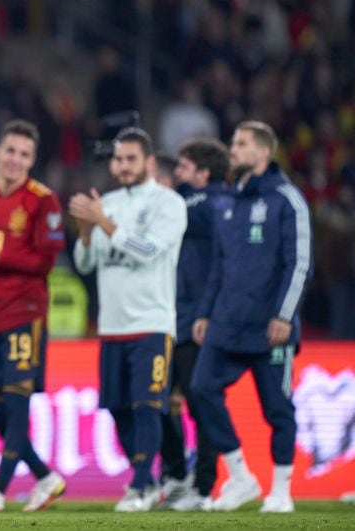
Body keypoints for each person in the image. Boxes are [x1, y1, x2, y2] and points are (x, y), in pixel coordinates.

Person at [190, 121, 312, 514]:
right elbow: (219, 269)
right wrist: (206, 312)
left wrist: (284, 315)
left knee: (277, 410)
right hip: (227, 323)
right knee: (202, 388)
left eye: (241, 144)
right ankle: (241, 478)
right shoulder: (229, 203)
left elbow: (300, 264)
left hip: (270, 329)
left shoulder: (287, 199)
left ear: (264, 152)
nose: (233, 149)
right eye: (233, 142)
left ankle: (281, 491)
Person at [70, 127, 187, 512]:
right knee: (119, 408)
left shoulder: (169, 203)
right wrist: (86, 230)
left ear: (150, 162)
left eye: (131, 159)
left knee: (147, 405)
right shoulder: (109, 203)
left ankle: (140, 485)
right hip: (113, 325)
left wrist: (102, 221)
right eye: (118, 159)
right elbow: (86, 262)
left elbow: (148, 250)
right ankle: (151, 481)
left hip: (152, 323)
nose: (122, 166)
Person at [0, 119, 68, 513]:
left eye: (24, 154)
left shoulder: (43, 200)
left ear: (32, 159)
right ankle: (45, 476)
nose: (15, 160)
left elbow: (46, 260)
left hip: (25, 312)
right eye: (10, 151)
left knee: (17, 399)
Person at [156, 139, 231, 511]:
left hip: (196, 320)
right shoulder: (199, 203)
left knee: (202, 405)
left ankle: (202, 487)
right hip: (174, 317)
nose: (178, 175)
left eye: (183, 168)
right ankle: (178, 476)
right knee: (157, 402)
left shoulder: (210, 202)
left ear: (202, 174)